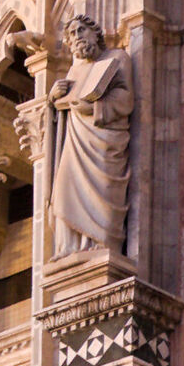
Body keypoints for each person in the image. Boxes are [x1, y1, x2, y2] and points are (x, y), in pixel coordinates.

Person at [49, 14, 135, 256]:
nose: (77, 37)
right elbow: (60, 113)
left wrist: (96, 108)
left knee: (105, 191)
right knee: (64, 191)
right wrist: (52, 98)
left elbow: (126, 99)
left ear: (96, 34)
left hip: (105, 142)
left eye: (81, 30)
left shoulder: (117, 59)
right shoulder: (73, 71)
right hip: (75, 143)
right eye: (72, 34)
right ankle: (70, 247)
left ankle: (100, 243)